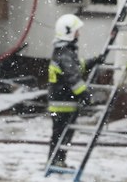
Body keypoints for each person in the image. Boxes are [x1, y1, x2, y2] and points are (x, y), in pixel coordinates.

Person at [47, 14, 104, 168]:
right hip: (62, 102)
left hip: (61, 101)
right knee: (61, 135)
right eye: (77, 31)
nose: (79, 34)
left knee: (61, 134)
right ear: (69, 32)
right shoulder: (64, 53)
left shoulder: (63, 52)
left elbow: (76, 67)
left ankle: (57, 161)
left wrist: (92, 61)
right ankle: (55, 161)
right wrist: (86, 95)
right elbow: (73, 78)